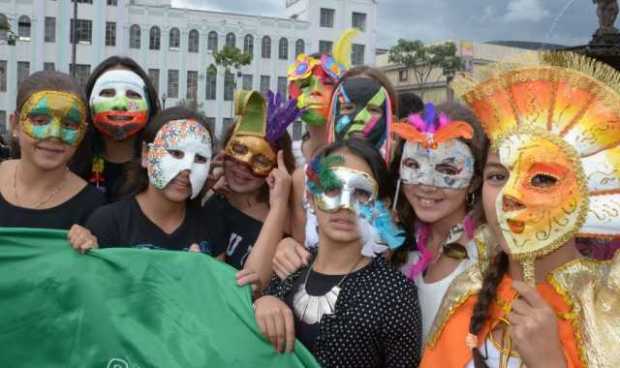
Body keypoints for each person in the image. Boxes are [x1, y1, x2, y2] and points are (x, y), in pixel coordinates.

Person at [420, 53, 620, 367]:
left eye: (541, 178)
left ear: (587, 193)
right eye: (497, 176)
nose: (509, 196)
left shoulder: (608, 307)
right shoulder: (466, 294)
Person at [254, 139, 422, 367]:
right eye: (332, 188)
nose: (345, 206)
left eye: (361, 193)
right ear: (311, 198)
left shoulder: (395, 293)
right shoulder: (290, 267)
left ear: (379, 206)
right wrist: (261, 302)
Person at [277, 65, 400, 275]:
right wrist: (286, 245)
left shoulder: (406, 184)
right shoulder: (304, 179)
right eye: (348, 107)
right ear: (333, 113)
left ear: (389, 116)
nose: (360, 119)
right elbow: (299, 253)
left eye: (373, 109)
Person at [391, 101, 490, 340]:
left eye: (447, 170)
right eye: (413, 165)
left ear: (475, 181)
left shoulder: (489, 251)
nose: (426, 183)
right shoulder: (392, 239)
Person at [82, 107, 212, 251]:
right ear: (146, 153)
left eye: (200, 158)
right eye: (175, 153)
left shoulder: (212, 225)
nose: (187, 169)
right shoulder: (108, 222)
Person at [0, 71, 104, 248]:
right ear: (15, 124)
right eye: (40, 121)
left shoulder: (94, 207)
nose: (55, 135)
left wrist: (91, 247)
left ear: (82, 132)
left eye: (69, 125)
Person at [202, 90, 299, 270]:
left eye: (261, 160)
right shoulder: (214, 204)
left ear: (278, 166)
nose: (243, 167)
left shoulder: (290, 213)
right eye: (238, 150)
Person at [73, 56, 160, 202]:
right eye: (107, 93)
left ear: (149, 103)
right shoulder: (70, 162)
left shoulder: (161, 167)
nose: (120, 104)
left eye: (133, 94)